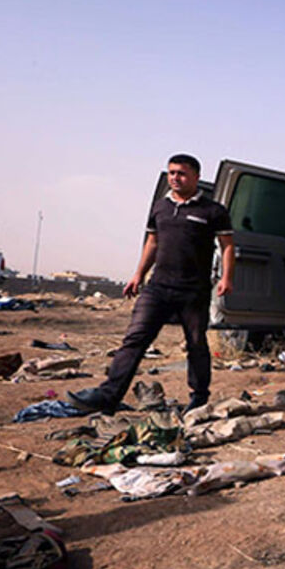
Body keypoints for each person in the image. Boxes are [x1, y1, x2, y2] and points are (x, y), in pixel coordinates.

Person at [69, 154, 235, 415]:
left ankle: (199, 398)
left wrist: (226, 278)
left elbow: (227, 247)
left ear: (196, 177)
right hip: (158, 286)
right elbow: (153, 243)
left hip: (194, 290)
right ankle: (108, 396)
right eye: (171, 173)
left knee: (196, 343)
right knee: (135, 338)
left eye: (180, 173)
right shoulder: (160, 207)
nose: (175, 178)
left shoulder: (213, 211)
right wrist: (138, 275)